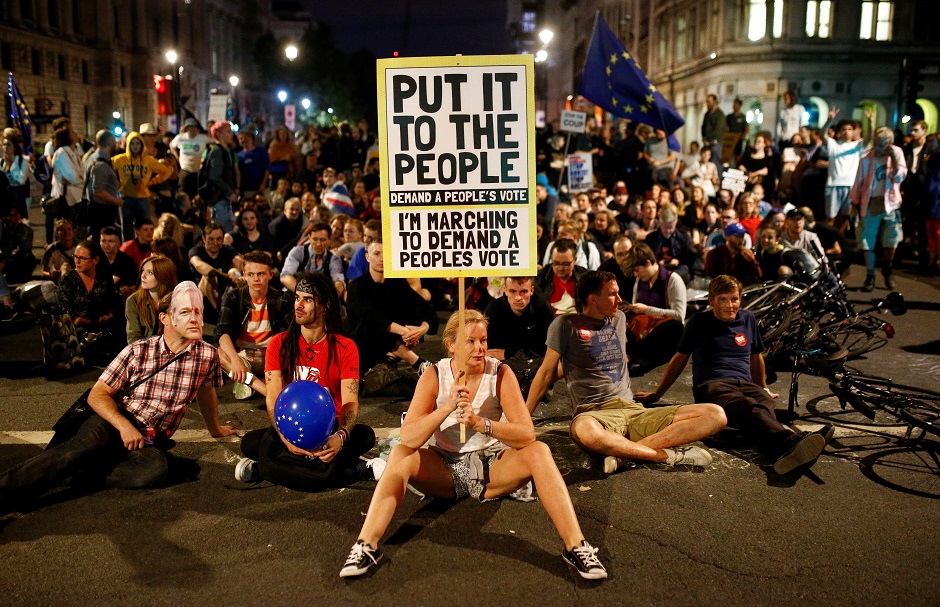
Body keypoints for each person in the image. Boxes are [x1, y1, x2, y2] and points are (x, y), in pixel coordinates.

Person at [340, 309, 608, 580]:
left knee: (540, 451)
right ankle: (365, 545)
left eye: (483, 340)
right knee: (400, 453)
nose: (480, 348)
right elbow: (409, 438)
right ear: (452, 345)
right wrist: (446, 407)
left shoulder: (501, 373)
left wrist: (481, 423)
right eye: (471, 341)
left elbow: (527, 434)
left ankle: (576, 547)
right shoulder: (434, 374)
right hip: (443, 468)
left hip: (491, 468)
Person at [0, 282, 238, 512]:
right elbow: (97, 395)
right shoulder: (139, 350)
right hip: (113, 420)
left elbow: (206, 393)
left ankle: (81, 470)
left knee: (154, 469)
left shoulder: (207, 355)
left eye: (198, 311)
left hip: (149, 437)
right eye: (185, 311)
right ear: (166, 318)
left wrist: (215, 429)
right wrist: (124, 426)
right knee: (85, 446)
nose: (195, 318)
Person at [524, 271, 726, 474]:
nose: (620, 300)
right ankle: (662, 455)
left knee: (715, 415)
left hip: (633, 410)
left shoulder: (619, 319)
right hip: (595, 414)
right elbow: (546, 372)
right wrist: (524, 419)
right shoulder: (565, 325)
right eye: (613, 294)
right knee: (586, 432)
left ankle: (625, 453)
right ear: (593, 299)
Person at [638, 275, 829, 475]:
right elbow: (679, 359)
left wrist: (763, 387)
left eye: (734, 299)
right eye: (723, 299)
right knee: (749, 407)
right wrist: (657, 394)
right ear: (712, 301)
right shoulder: (699, 322)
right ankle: (792, 442)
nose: (730, 305)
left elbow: (756, 358)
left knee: (763, 403)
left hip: (745, 385)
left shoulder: (748, 319)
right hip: (713, 386)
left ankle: (785, 454)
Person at [234, 273, 376, 490]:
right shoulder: (279, 343)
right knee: (250, 442)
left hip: (329, 428)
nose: (298, 305)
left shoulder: (345, 347)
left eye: (307, 299)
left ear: (325, 306)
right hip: (290, 427)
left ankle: (264, 469)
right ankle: (352, 470)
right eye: (297, 298)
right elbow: (273, 397)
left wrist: (340, 436)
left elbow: (350, 402)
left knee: (365, 436)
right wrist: (284, 437)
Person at [346, 239, 437, 374]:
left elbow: (425, 307)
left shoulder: (396, 283)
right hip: (362, 346)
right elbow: (371, 317)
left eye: (386, 254)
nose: (382, 258)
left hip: (387, 342)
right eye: (377, 253)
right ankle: (419, 363)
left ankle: (391, 356)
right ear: (367, 257)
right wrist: (404, 332)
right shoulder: (357, 286)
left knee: (414, 310)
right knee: (375, 323)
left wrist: (421, 330)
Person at [215, 251, 290, 399]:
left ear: (270, 275)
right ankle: (266, 391)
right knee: (219, 353)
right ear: (244, 274)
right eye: (251, 274)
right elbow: (222, 332)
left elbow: (288, 335)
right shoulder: (234, 297)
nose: (256, 279)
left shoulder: (283, 298)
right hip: (244, 356)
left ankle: (249, 383)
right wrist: (236, 361)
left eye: (261, 274)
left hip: (272, 356)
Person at [849, 127, 908, 292]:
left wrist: (893, 158)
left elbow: (899, 176)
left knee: (892, 237)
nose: (878, 148)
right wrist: (854, 203)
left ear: (890, 144)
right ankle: (870, 274)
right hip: (871, 202)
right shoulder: (866, 158)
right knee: (867, 239)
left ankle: (887, 268)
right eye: (876, 144)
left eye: (882, 144)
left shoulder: (897, 153)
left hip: (890, 202)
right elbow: (858, 182)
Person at [623, 242, 688, 371]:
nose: (636, 275)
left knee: (677, 328)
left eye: (637, 270)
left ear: (648, 263)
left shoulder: (672, 279)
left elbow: (679, 315)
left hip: (660, 330)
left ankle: (635, 357)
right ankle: (636, 358)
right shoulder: (639, 281)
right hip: (643, 329)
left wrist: (647, 309)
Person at [112, 131, 171, 241]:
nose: (135, 146)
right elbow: (106, 170)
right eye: (132, 143)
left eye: (138, 144)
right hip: (126, 198)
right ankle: (128, 252)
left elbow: (167, 171)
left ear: (142, 145)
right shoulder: (120, 159)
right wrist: (117, 184)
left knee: (145, 228)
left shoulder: (148, 160)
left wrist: (150, 182)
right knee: (127, 229)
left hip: (142, 198)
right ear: (128, 145)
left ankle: (145, 251)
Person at [56, 240, 120, 335]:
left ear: (95, 260)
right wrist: (90, 322)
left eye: (82, 258)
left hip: (104, 325)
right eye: (75, 257)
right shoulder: (68, 279)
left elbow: (112, 301)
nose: (77, 261)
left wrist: (109, 314)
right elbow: (64, 311)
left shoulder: (104, 277)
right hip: (75, 329)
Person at [484, 276, 555, 362]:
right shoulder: (493, 309)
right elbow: (491, 348)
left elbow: (547, 348)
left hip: (534, 362)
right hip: (501, 362)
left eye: (523, 292)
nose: (518, 298)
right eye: (512, 291)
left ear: (531, 291)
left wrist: (510, 353)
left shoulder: (543, 309)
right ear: (505, 290)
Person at [188, 222, 245, 320]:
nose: (215, 242)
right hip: (201, 293)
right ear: (204, 238)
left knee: (234, 270)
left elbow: (240, 262)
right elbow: (198, 265)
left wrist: (243, 275)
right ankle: (219, 313)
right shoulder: (197, 251)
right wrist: (226, 276)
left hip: (224, 290)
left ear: (223, 239)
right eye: (211, 239)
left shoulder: (227, 249)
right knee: (209, 276)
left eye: (219, 239)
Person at [281, 222, 346, 296]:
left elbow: (339, 282)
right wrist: (305, 293)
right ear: (309, 238)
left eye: (322, 240)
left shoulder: (333, 258)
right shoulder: (298, 252)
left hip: (321, 298)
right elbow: (285, 276)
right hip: (294, 294)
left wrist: (330, 298)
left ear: (329, 240)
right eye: (315, 239)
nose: (318, 244)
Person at [125, 254, 178, 343]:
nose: (142, 276)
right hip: (144, 351)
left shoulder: (178, 299)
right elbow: (133, 337)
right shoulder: (133, 300)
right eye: (142, 271)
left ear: (163, 276)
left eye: (150, 272)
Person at [84, 129, 124, 239]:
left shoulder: (93, 158)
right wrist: (117, 201)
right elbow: (99, 191)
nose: (116, 144)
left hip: (100, 209)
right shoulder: (100, 164)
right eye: (114, 142)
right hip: (102, 211)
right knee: (102, 240)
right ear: (109, 143)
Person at [643, 204, 696, 283]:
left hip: (678, 269)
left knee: (682, 271)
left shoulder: (683, 237)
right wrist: (657, 263)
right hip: (658, 269)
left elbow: (691, 257)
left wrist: (678, 261)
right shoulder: (651, 238)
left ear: (675, 223)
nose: (668, 231)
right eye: (665, 228)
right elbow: (646, 259)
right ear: (660, 223)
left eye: (670, 228)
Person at [203, 121, 239, 234]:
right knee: (222, 233)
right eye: (228, 131)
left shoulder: (224, 151)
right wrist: (229, 192)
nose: (231, 134)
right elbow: (214, 176)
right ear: (218, 134)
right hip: (219, 200)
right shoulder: (217, 151)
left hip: (223, 199)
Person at [535, 238, 586, 316]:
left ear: (575, 260)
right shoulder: (542, 277)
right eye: (556, 263)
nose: (560, 268)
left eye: (566, 264)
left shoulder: (585, 277)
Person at [704, 222, 762, 286]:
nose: (741, 240)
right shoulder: (715, 254)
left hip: (742, 290)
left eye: (742, 236)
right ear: (727, 237)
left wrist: (752, 261)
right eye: (738, 236)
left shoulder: (744, 255)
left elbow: (758, 278)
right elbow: (710, 278)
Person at [170, 118, 213, 199]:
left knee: (198, 194)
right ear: (187, 129)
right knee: (182, 193)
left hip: (199, 171)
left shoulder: (203, 138)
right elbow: (171, 145)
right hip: (185, 170)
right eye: (190, 127)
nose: (192, 129)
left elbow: (214, 142)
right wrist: (176, 156)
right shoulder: (181, 138)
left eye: (194, 127)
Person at [0, 206, 37, 283]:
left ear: (18, 216)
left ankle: (19, 277)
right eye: (7, 216)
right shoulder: (4, 228)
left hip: (18, 259)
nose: (9, 218)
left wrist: (4, 262)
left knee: (29, 258)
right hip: (6, 259)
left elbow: (20, 249)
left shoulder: (26, 230)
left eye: (11, 216)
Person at [98, 226, 137, 297]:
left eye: (110, 241)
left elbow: (111, 283)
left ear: (118, 243)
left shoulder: (125, 260)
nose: (106, 245)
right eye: (103, 241)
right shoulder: (97, 258)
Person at [738, 134, 777, 202]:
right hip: (747, 184)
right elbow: (740, 165)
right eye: (756, 141)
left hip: (760, 187)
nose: (756, 143)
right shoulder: (747, 156)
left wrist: (754, 174)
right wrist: (748, 173)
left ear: (764, 144)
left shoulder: (768, 159)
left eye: (759, 141)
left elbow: (767, 171)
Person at [269, 196, 305, 266]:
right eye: (291, 209)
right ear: (285, 210)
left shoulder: (299, 221)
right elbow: (273, 244)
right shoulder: (276, 225)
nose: (294, 212)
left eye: (297, 210)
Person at [236, 130, 271, 198]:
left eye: (246, 137)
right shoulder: (238, 156)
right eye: (241, 138)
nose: (244, 140)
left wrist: (263, 184)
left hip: (262, 188)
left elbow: (267, 169)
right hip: (247, 189)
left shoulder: (261, 151)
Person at [701, 94, 726, 164]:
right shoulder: (707, 114)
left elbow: (718, 129)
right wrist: (704, 138)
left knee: (715, 162)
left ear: (714, 101)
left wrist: (711, 140)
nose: (708, 103)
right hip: (707, 143)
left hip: (715, 143)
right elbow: (703, 127)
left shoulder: (719, 114)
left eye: (709, 101)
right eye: (707, 102)